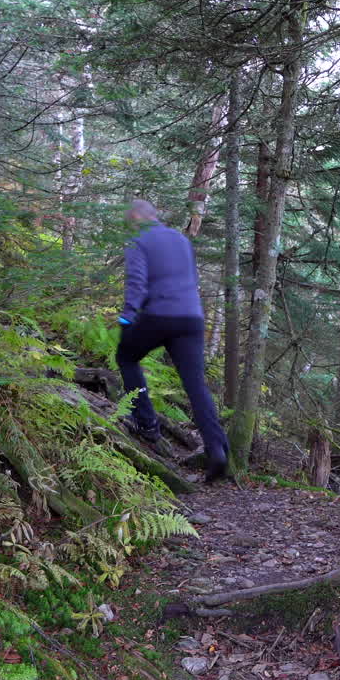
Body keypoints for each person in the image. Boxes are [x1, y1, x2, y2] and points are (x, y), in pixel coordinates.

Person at [116, 199, 229, 482]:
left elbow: (137, 282)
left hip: (159, 315)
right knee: (195, 385)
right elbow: (191, 278)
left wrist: (127, 317)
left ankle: (147, 424)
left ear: (136, 217)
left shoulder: (138, 240)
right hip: (191, 318)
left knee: (126, 356)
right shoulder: (180, 239)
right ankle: (217, 450)